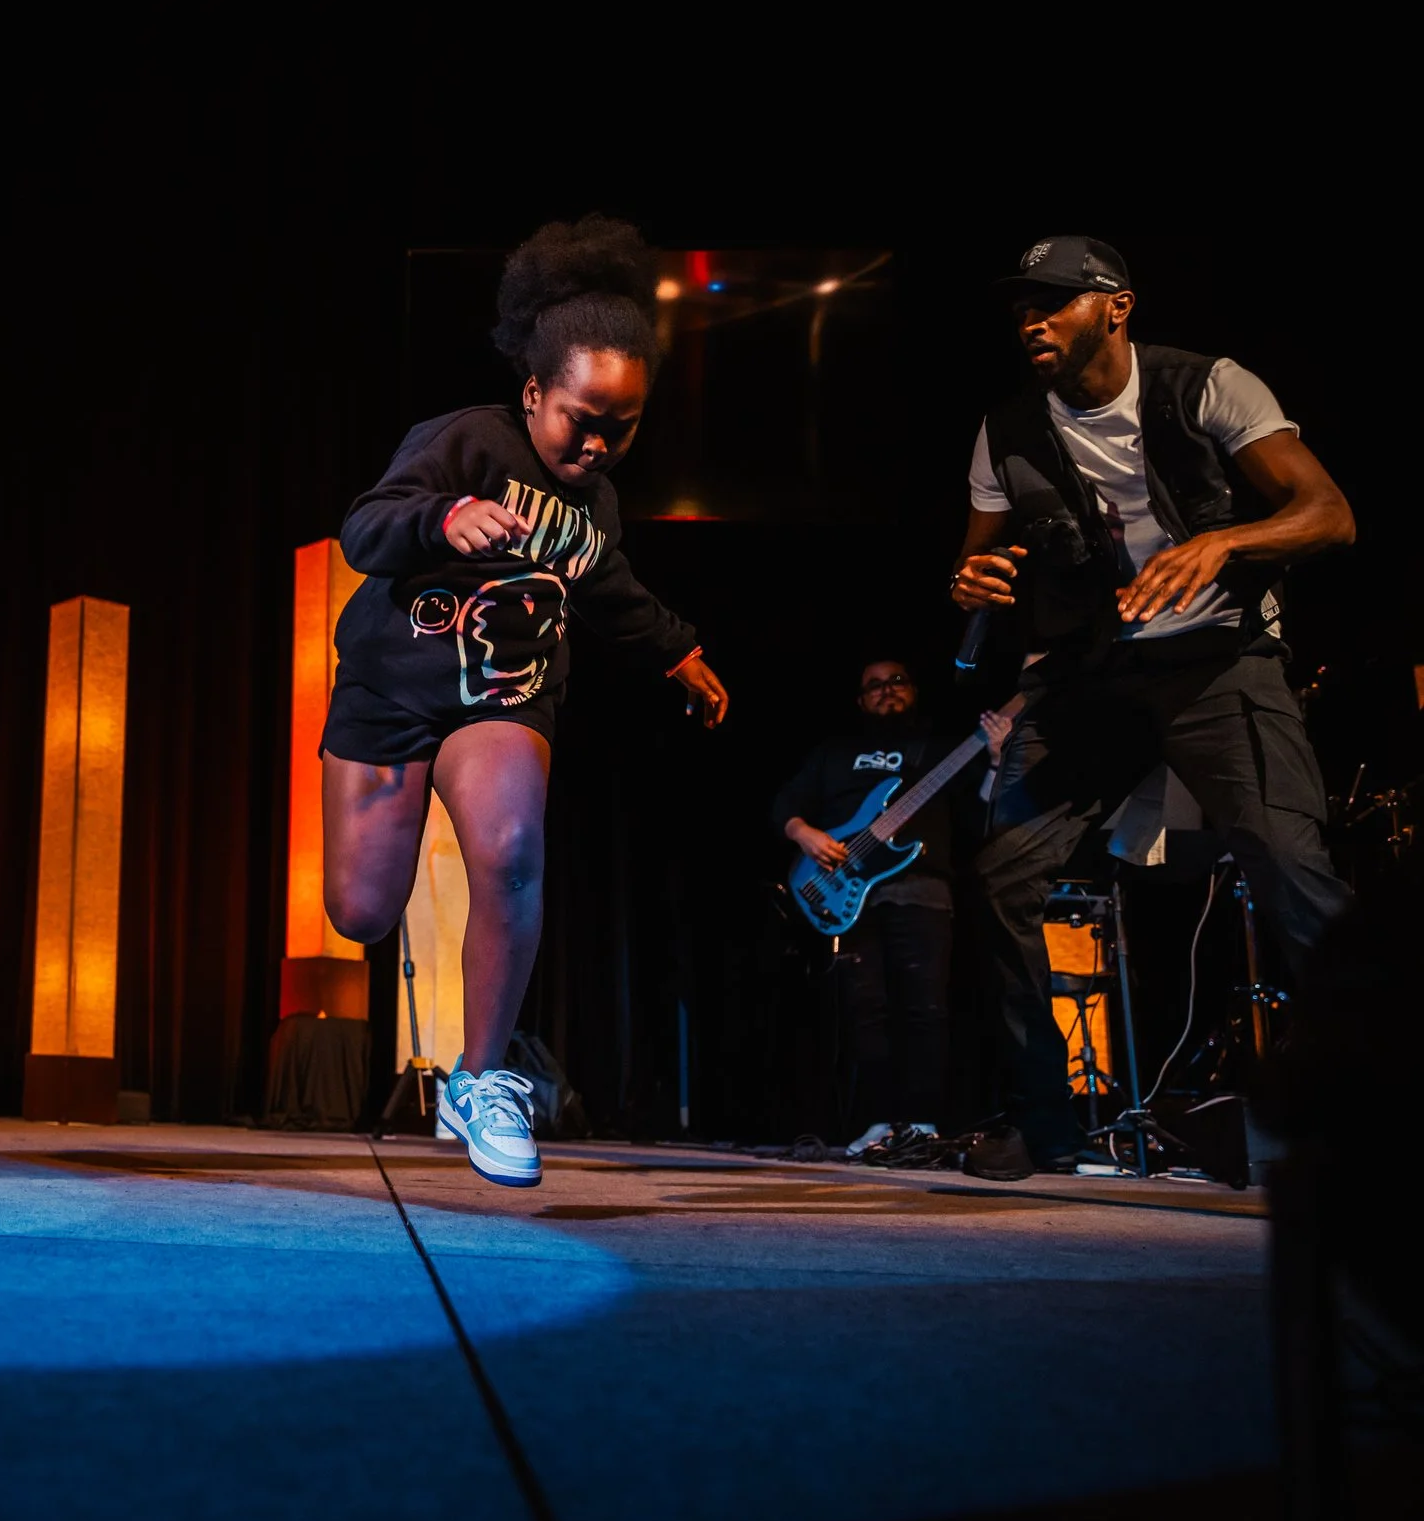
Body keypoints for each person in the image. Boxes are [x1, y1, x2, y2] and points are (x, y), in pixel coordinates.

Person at [320, 215, 729, 1187]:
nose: (596, 443)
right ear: (535, 391)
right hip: (392, 687)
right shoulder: (466, 439)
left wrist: (678, 650)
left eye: (621, 425)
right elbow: (364, 528)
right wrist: (444, 514)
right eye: (580, 417)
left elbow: (608, 587)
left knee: (511, 851)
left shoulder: (597, 504)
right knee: (361, 911)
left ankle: (479, 1078)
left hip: (505, 694)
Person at [952, 236, 1357, 1175]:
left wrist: (1225, 544)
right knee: (1004, 877)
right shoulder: (1005, 428)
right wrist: (969, 581)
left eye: (1054, 301)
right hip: (1091, 674)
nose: (1033, 320)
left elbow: (1330, 515)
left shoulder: (1207, 386)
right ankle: (1046, 1123)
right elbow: (975, 562)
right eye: (1023, 307)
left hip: (1216, 660)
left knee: (1289, 862)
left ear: (1116, 306)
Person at [774, 659, 1007, 1159]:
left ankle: (921, 1122)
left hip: (922, 889)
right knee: (866, 1011)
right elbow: (785, 804)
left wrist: (993, 759)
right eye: (875, 685)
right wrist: (806, 834)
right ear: (861, 700)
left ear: (914, 691)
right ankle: (877, 1122)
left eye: (897, 681)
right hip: (845, 895)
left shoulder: (938, 751)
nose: (887, 690)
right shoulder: (834, 753)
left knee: (925, 1009)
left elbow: (982, 813)